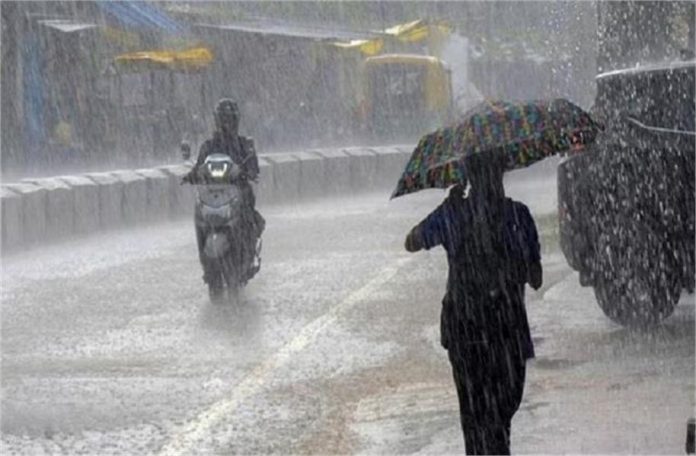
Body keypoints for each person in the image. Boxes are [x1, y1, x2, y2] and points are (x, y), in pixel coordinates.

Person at [404, 153, 542, 455]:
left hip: (464, 330)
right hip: (507, 331)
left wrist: (447, 209)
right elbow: (536, 278)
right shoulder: (518, 216)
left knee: (473, 415)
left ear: (468, 178)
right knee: (500, 417)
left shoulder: (454, 214)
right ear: (502, 174)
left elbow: (412, 241)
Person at [184, 98, 265, 285]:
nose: (226, 123)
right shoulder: (208, 146)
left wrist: (247, 172)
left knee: (249, 214)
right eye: (223, 119)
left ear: (236, 120)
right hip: (212, 194)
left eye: (229, 119)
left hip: (237, 192)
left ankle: (247, 249)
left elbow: (253, 168)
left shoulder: (244, 145)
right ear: (217, 120)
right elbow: (199, 166)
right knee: (199, 219)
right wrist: (192, 175)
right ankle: (206, 263)